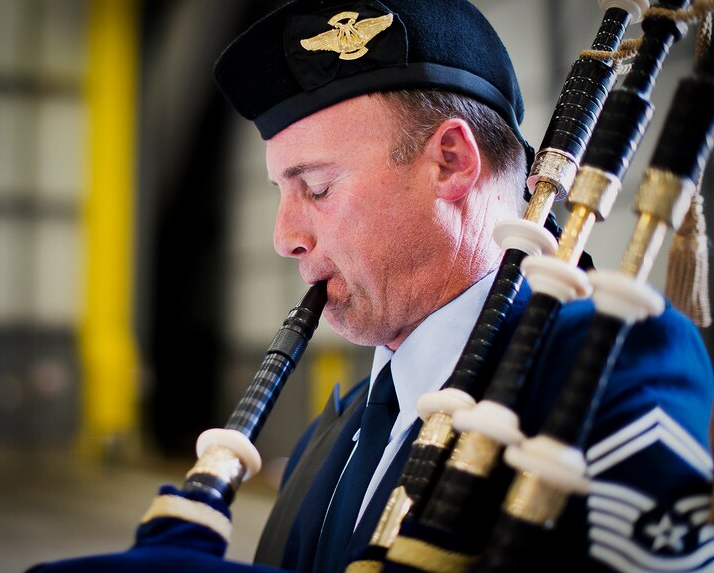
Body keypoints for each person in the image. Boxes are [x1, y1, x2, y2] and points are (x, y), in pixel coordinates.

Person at [212, 0, 714, 572]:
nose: (285, 238)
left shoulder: (608, 368)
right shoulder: (325, 439)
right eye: (282, 190)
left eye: (318, 188)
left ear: (451, 161)